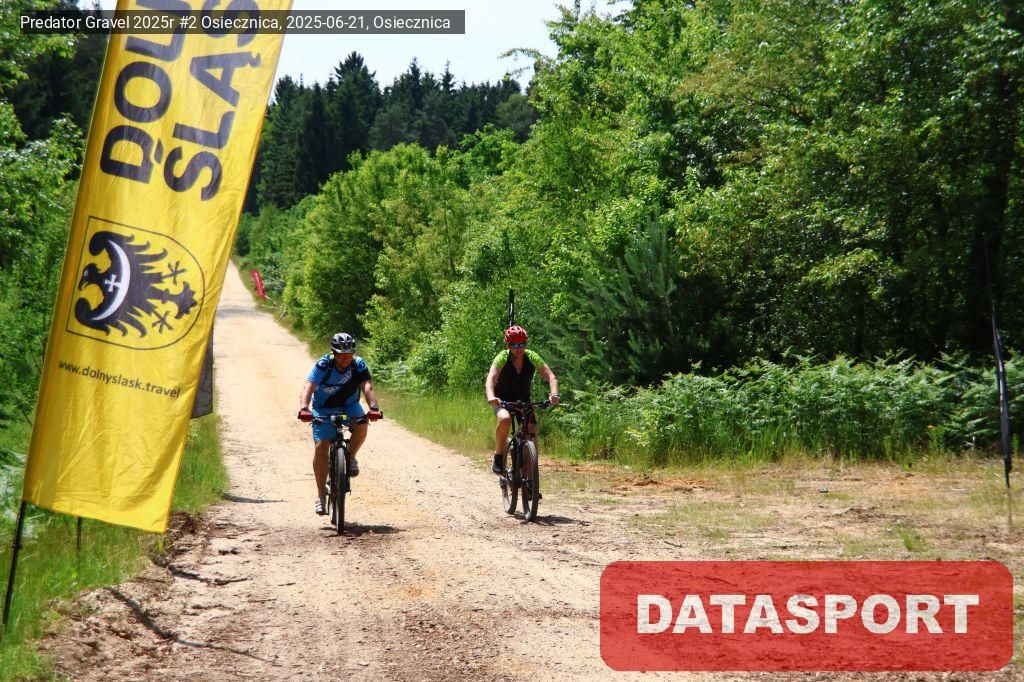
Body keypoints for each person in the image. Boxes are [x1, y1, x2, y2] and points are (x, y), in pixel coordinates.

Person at [298, 332, 382, 515]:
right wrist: (304, 408)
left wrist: (374, 407)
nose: (345, 359)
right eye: (341, 355)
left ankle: (351, 458)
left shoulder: (358, 364)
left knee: (362, 424)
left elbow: (367, 386)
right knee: (322, 445)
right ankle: (321, 496)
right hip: (323, 407)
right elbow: (308, 387)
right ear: (334, 353)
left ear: (353, 353)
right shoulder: (324, 364)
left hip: (349, 405)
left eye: (348, 355)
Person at [484, 325, 559, 474]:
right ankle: (498, 455)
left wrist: (554, 394)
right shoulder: (502, 357)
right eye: (514, 345)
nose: (518, 348)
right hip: (502, 400)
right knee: (505, 419)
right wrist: (491, 397)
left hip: (523, 400)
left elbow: (551, 376)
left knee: (531, 430)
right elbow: (490, 379)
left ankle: (531, 474)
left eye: (522, 344)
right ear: (508, 346)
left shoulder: (531, 356)